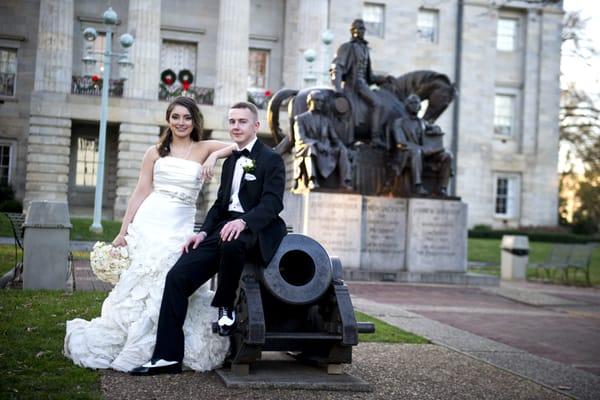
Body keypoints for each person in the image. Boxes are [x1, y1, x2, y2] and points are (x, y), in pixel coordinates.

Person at [64, 96, 236, 372]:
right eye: (176, 117)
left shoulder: (204, 147)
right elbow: (142, 191)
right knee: (142, 284)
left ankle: (166, 345)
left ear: (195, 122)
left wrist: (215, 156)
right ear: (168, 120)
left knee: (172, 279)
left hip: (179, 225)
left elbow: (240, 145)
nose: (181, 123)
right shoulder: (154, 152)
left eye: (187, 118)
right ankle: (141, 342)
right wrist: (123, 231)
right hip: (150, 221)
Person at [130, 101, 287, 376]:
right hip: (223, 229)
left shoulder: (271, 159)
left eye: (242, 122)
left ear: (256, 126)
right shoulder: (230, 162)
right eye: (232, 122)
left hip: (255, 229)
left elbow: (273, 204)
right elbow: (219, 206)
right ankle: (167, 357)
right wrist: (202, 233)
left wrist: (243, 221)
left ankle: (226, 306)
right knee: (176, 276)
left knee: (233, 240)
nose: (236, 127)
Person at [330, 18, 387, 145]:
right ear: (352, 31)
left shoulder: (365, 49)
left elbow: (369, 76)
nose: (361, 31)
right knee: (377, 104)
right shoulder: (347, 47)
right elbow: (337, 67)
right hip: (354, 85)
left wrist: (384, 79)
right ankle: (375, 137)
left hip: (363, 83)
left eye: (362, 29)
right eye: (358, 29)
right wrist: (337, 88)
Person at [391, 94, 453, 196]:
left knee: (447, 155)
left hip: (426, 154)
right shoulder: (399, 123)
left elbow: (432, 133)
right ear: (406, 105)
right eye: (412, 103)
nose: (415, 105)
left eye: (417, 103)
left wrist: (436, 130)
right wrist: (422, 149)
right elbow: (401, 143)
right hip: (407, 154)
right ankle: (418, 186)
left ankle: (442, 188)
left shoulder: (423, 123)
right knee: (417, 152)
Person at [293, 90, 352, 190]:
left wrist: (342, 146)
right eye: (318, 101)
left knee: (342, 150)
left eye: (322, 102)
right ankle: (312, 180)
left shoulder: (326, 120)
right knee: (311, 149)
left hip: (326, 149)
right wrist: (316, 144)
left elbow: (334, 138)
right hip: (308, 147)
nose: (321, 104)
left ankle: (344, 182)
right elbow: (300, 138)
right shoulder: (300, 119)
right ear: (310, 101)